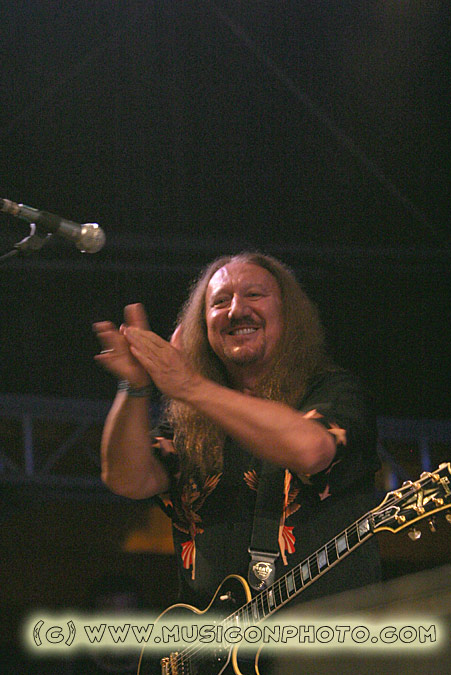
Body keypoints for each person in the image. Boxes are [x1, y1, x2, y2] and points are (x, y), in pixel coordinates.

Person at [94, 252, 381, 618]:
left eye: (254, 295)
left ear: (288, 314)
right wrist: (134, 386)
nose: (236, 310)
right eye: (220, 302)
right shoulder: (192, 422)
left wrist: (189, 385)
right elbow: (126, 479)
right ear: (202, 327)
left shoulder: (334, 391)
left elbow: (312, 449)